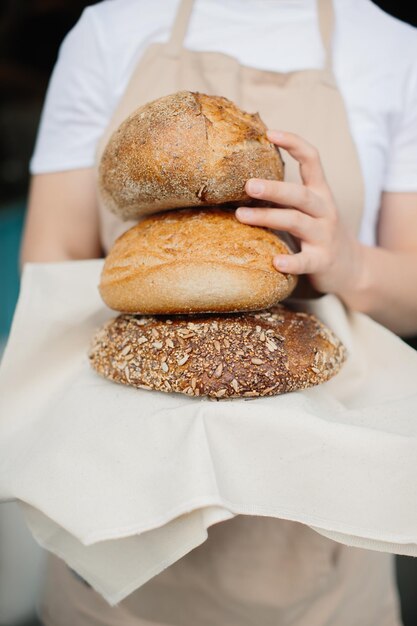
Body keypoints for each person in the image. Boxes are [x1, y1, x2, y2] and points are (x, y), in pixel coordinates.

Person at [20, 0, 417, 624]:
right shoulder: (109, 28)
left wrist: (348, 263)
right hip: (118, 505)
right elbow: (50, 259)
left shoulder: (393, 48)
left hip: (317, 532)